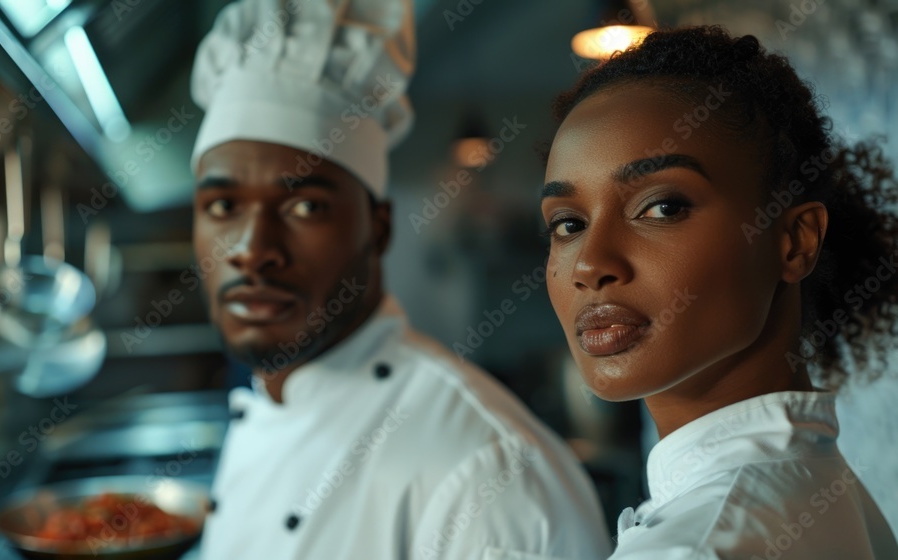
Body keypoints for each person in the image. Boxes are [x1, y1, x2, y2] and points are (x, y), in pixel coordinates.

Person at [189, 1, 611, 558]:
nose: (253, 250)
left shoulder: (489, 476)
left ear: (379, 229)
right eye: (222, 205)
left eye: (305, 208)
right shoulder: (267, 404)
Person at [539, 25, 898, 559]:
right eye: (568, 224)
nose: (591, 263)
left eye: (662, 207)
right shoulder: (828, 491)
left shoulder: (697, 546)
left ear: (794, 241)